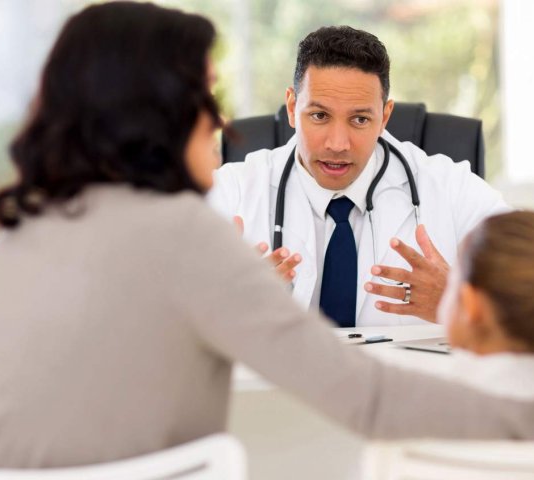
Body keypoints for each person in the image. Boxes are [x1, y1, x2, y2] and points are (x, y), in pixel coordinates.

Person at [0, 2, 534, 469]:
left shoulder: (20, 230)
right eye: (204, 100)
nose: (223, 124)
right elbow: (366, 398)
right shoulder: (187, 229)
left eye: (361, 120)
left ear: (385, 116)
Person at [208, 26, 508, 328]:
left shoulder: (452, 189)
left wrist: (458, 306)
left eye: (360, 119)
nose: (338, 144)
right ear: (291, 107)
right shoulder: (232, 192)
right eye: (319, 116)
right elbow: (165, 315)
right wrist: (222, 307)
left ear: (385, 117)